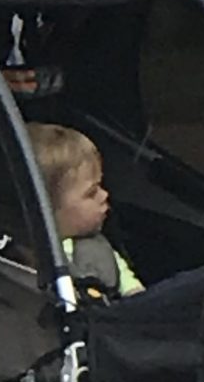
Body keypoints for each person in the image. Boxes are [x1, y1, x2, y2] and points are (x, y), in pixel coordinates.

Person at [28, 122, 142, 294]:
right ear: (46, 208)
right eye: (91, 193)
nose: (104, 195)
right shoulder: (23, 256)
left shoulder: (102, 254)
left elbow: (136, 298)